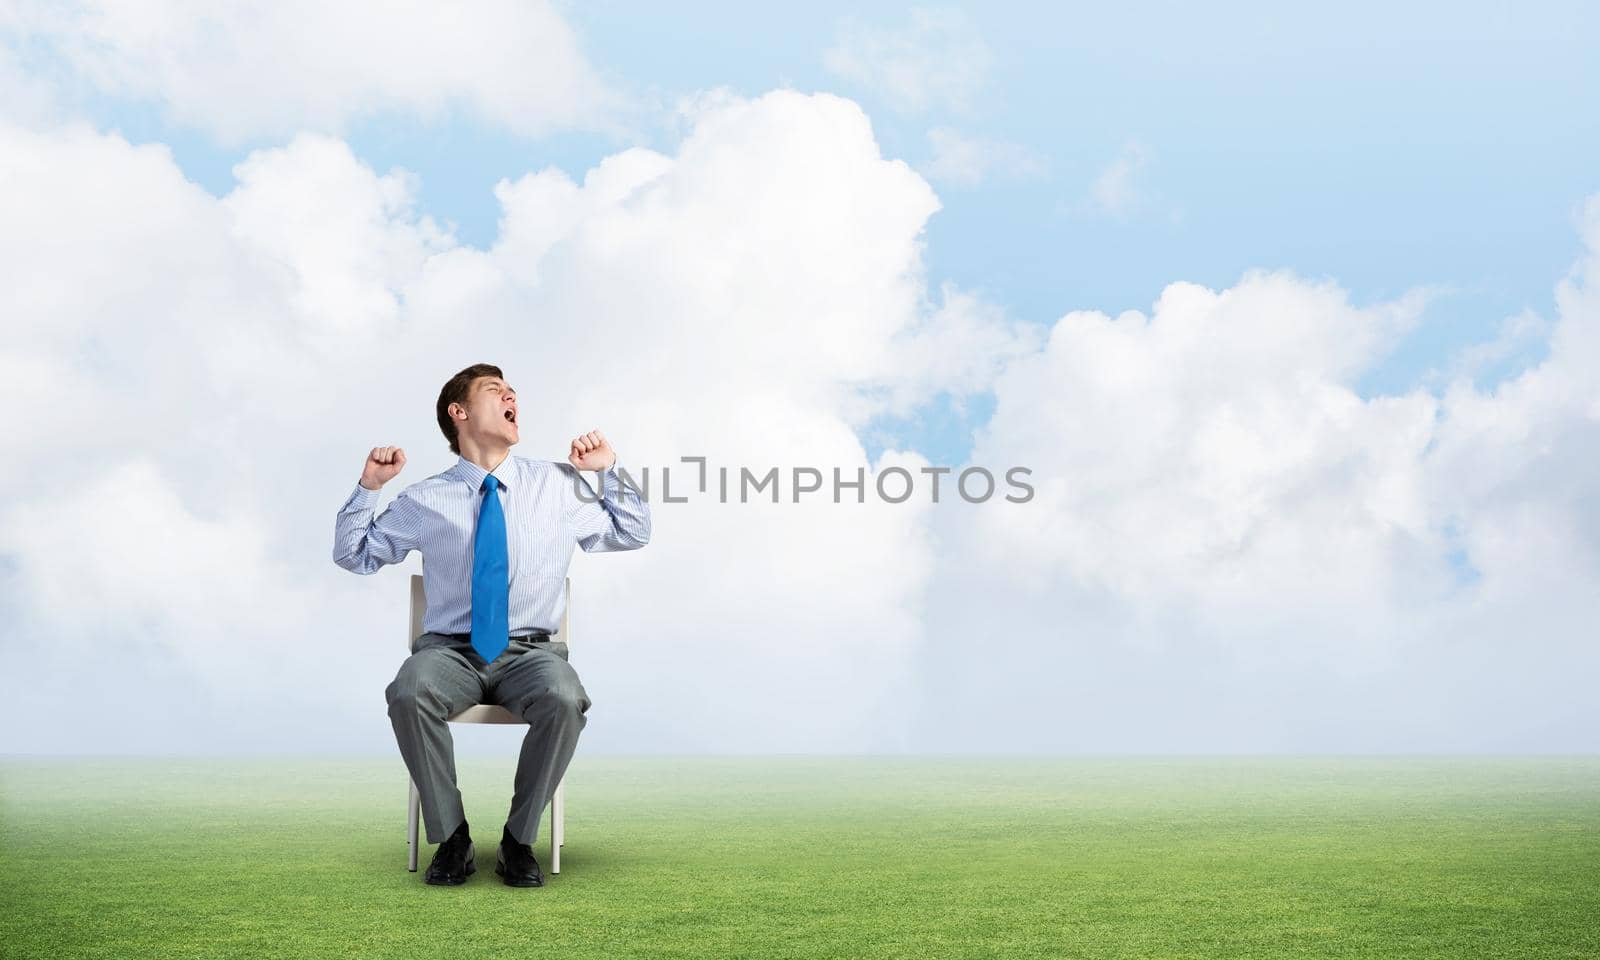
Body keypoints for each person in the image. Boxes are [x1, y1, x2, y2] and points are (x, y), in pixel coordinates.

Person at [332, 363, 651, 887]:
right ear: (459, 413)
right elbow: (354, 555)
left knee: (565, 698)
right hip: (449, 653)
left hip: (533, 655)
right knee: (409, 691)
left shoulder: (558, 484)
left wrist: (608, 470)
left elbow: (633, 533)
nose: (512, 397)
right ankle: (452, 839)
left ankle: (518, 841)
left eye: (513, 392)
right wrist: (369, 487)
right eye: (495, 391)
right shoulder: (423, 498)